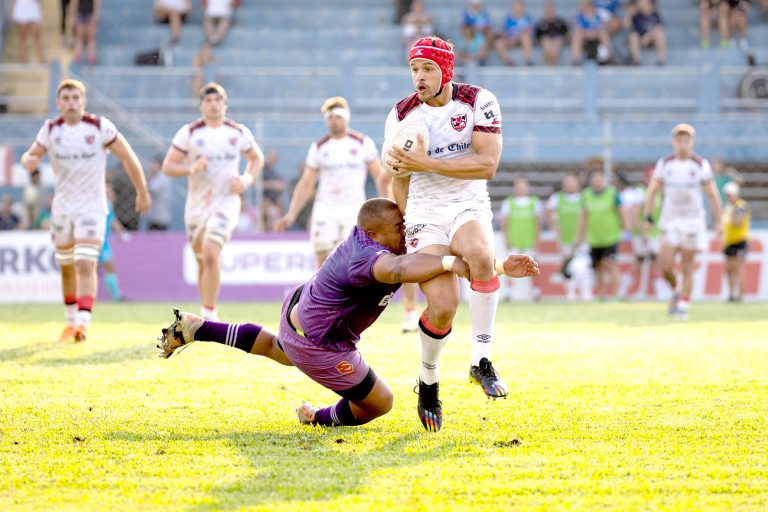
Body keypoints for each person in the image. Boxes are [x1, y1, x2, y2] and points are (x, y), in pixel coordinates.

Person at [157, 198, 540, 431]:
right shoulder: (368, 257)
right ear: (374, 233)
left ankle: (199, 328)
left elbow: (416, 262)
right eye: (398, 227)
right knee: (381, 403)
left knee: (281, 349)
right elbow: (401, 271)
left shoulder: (370, 240)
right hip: (320, 342)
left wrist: (500, 266)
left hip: (300, 314)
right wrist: (454, 263)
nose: (405, 232)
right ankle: (318, 417)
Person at [384, 36, 507, 432]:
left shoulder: (477, 102)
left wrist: (427, 163)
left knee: (482, 256)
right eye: (414, 70)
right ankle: (429, 380)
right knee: (443, 304)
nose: (419, 78)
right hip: (425, 211)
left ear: (446, 71)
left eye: (428, 70)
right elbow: (397, 179)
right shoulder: (402, 116)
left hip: (467, 203)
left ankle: (481, 359)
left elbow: (487, 165)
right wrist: (405, 223)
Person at [20, 79, 151, 342]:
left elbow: (127, 156)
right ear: (58, 104)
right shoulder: (51, 129)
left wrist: (142, 190)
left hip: (92, 208)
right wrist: (28, 160)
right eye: (65, 98)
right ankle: (70, 322)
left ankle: (82, 323)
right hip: (63, 209)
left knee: (85, 262)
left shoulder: (100, 127)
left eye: (75, 98)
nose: (71, 103)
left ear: (83, 101)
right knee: (67, 267)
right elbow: (29, 156)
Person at [162, 82, 264, 321]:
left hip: (226, 203)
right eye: (208, 100)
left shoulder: (237, 132)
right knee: (202, 260)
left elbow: (256, 159)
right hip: (197, 206)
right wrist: (192, 167)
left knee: (210, 252)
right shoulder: (189, 133)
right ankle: (207, 308)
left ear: (225, 104)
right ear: (201, 105)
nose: (213, 104)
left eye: (218, 100)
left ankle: (210, 315)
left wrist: (246, 179)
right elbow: (168, 166)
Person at [274, 97, 390, 269]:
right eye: (330, 118)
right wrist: (291, 213)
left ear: (346, 117)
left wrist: (388, 207)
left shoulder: (362, 143)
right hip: (325, 208)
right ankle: (322, 294)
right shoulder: (319, 147)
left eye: (338, 117)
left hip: (353, 208)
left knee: (351, 258)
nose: (334, 121)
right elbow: (306, 183)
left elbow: (380, 176)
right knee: (322, 258)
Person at [643, 123, 722, 320]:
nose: (683, 144)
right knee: (665, 266)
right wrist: (649, 215)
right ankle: (677, 289)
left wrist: (719, 221)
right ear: (674, 142)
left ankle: (683, 306)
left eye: (686, 140)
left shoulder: (700, 165)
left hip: (693, 220)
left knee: (688, 264)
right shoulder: (665, 164)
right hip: (670, 219)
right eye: (679, 140)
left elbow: (713, 195)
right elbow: (652, 191)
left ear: (692, 142)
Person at [574, 169, 628, 301]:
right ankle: (601, 295)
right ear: (591, 181)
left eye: (600, 178)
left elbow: (621, 211)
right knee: (598, 267)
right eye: (595, 179)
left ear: (604, 180)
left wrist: (626, 227)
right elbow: (583, 217)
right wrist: (579, 235)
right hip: (594, 238)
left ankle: (615, 295)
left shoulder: (612, 193)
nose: (598, 181)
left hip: (610, 237)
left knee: (610, 263)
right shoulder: (586, 195)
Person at [498, 178, 542, 301]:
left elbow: (538, 223)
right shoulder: (508, 203)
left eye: (523, 185)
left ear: (528, 187)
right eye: (518, 185)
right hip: (514, 241)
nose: (521, 188)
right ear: (515, 187)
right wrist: (506, 241)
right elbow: (505, 224)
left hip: (529, 242)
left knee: (533, 266)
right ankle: (508, 292)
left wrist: (537, 241)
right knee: (508, 267)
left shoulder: (535, 202)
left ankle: (535, 292)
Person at [545, 174, 582, 300]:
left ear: (577, 184)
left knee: (581, 266)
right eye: (568, 182)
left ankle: (583, 292)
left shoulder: (583, 198)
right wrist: (553, 226)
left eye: (572, 182)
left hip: (581, 239)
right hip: (565, 238)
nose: (570, 185)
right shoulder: (557, 198)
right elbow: (549, 211)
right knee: (566, 265)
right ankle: (570, 292)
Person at [99, 181, 129, 302]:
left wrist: (122, 233)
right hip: (95, 240)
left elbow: (113, 220)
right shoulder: (97, 203)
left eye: (111, 190)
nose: (110, 192)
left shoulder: (109, 204)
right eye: (108, 189)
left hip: (104, 242)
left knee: (109, 268)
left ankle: (117, 297)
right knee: (91, 268)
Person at [721, 182, 750, 302]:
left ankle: (741, 295)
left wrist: (731, 213)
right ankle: (732, 294)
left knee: (738, 269)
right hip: (729, 241)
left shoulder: (740, 206)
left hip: (739, 241)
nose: (727, 198)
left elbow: (737, 222)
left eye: (729, 195)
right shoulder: (730, 207)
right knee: (729, 270)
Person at [571, 0, 611, 65]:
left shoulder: (597, 15)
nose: (589, 7)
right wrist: (588, 33)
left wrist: (593, 32)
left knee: (602, 33)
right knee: (578, 34)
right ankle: (575, 59)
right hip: (584, 36)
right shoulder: (579, 15)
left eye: (590, 5)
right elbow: (579, 27)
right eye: (587, 5)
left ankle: (607, 57)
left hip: (595, 35)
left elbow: (600, 26)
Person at [495, 0, 535, 66]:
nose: (518, 8)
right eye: (516, 6)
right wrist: (507, 38)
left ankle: (528, 60)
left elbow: (529, 31)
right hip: (510, 40)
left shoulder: (528, 18)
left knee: (525, 37)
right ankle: (509, 62)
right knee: (498, 42)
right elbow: (503, 31)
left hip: (521, 40)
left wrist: (516, 38)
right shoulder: (508, 18)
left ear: (523, 7)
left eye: (520, 6)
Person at [627, 0, 666, 66]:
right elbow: (626, 26)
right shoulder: (636, 16)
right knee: (633, 36)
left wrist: (648, 37)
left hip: (651, 41)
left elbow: (659, 28)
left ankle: (661, 60)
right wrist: (629, 15)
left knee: (660, 34)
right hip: (639, 40)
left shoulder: (654, 15)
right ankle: (637, 61)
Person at [534, 1, 569, 66]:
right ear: (544, 9)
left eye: (550, 7)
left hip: (558, 42)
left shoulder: (561, 22)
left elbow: (566, 34)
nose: (549, 9)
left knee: (557, 40)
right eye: (547, 7)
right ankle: (552, 61)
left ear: (554, 9)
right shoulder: (540, 23)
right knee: (546, 40)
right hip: (545, 43)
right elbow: (537, 37)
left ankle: (550, 59)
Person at [260, 149, 285, 231]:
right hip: (265, 199)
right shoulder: (262, 169)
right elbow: (256, 184)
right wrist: (273, 185)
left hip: (275, 200)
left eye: (275, 158)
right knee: (272, 213)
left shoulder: (274, 172)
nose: (273, 159)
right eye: (272, 157)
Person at [145, 156, 172, 230]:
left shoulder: (163, 177)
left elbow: (151, 189)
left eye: (153, 164)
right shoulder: (155, 177)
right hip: (153, 217)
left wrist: (146, 179)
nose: (150, 166)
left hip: (160, 219)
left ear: (159, 166)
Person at [70, 0, 100, 64]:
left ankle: (91, 55)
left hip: (89, 13)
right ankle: (77, 55)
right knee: (79, 37)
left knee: (90, 37)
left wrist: (95, 15)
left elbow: (96, 2)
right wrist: (73, 16)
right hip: (80, 13)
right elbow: (74, 2)